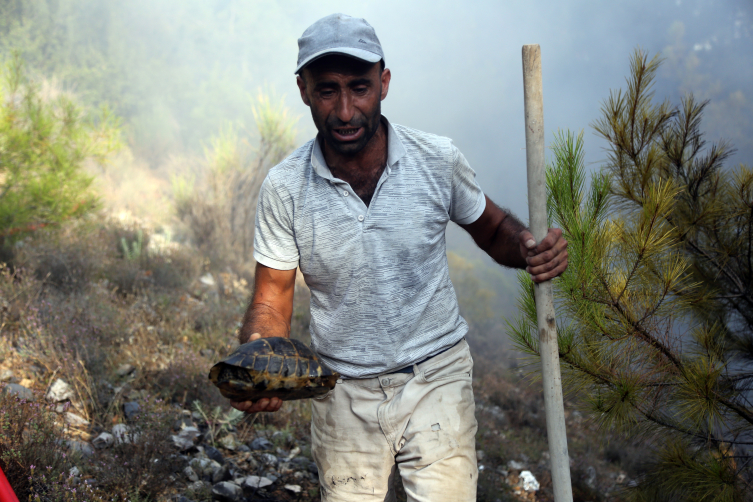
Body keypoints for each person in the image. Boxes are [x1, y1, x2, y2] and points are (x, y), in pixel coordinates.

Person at [230, 13, 568, 502]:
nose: (346, 111)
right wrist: (257, 360)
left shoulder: (436, 160)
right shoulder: (285, 188)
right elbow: (272, 296)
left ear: (384, 83)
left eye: (360, 88)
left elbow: (492, 227)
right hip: (342, 389)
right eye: (328, 90)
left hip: (436, 378)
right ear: (303, 89)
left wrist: (530, 249)